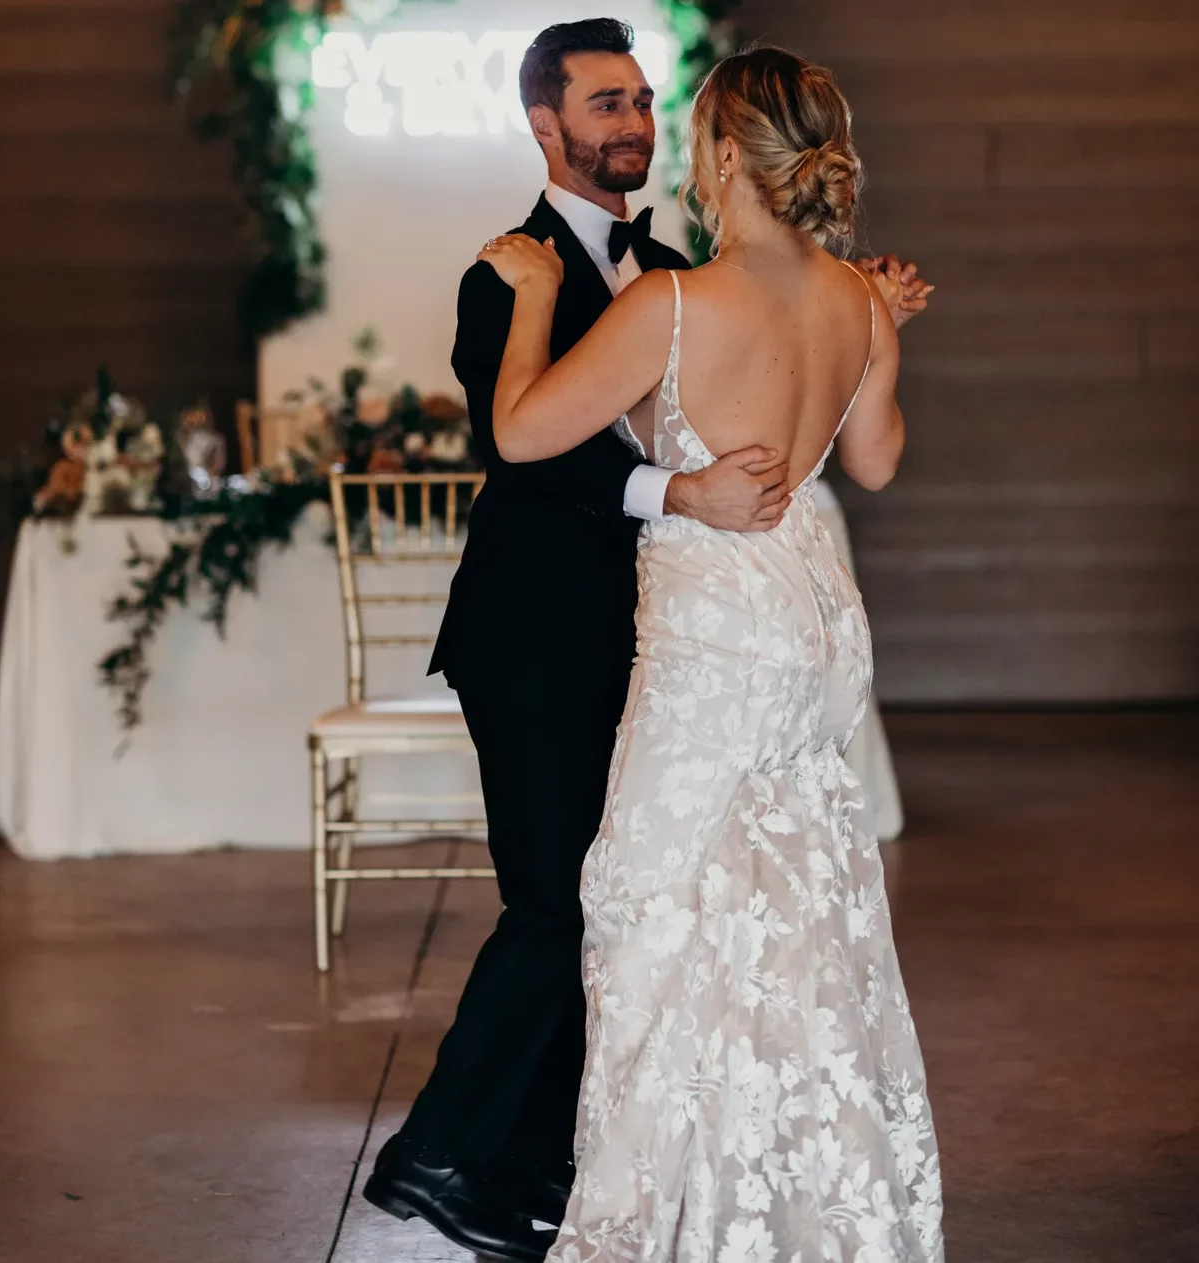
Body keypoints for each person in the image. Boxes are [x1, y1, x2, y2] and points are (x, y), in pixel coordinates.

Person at [364, 20, 932, 1263]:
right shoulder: (525, 268)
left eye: (651, 107)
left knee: (641, 900)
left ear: (725, 149)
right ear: (546, 123)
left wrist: (570, 351)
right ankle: (496, 1159)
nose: (637, 127)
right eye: (606, 103)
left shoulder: (674, 282)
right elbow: (862, 462)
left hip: (706, 634)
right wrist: (695, 479)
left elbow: (545, 424)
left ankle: (619, 1178)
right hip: (672, 624)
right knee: (726, 894)